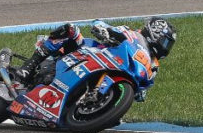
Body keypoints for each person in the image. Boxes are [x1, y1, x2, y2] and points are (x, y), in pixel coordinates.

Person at [13, 18, 177, 89]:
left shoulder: (153, 65)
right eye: (165, 42)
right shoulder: (130, 33)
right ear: (154, 32)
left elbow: (145, 85)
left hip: (108, 72)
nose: (165, 47)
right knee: (71, 30)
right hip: (85, 53)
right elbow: (99, 23)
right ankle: (29, 65)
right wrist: (103, 31)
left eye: (168, 45)